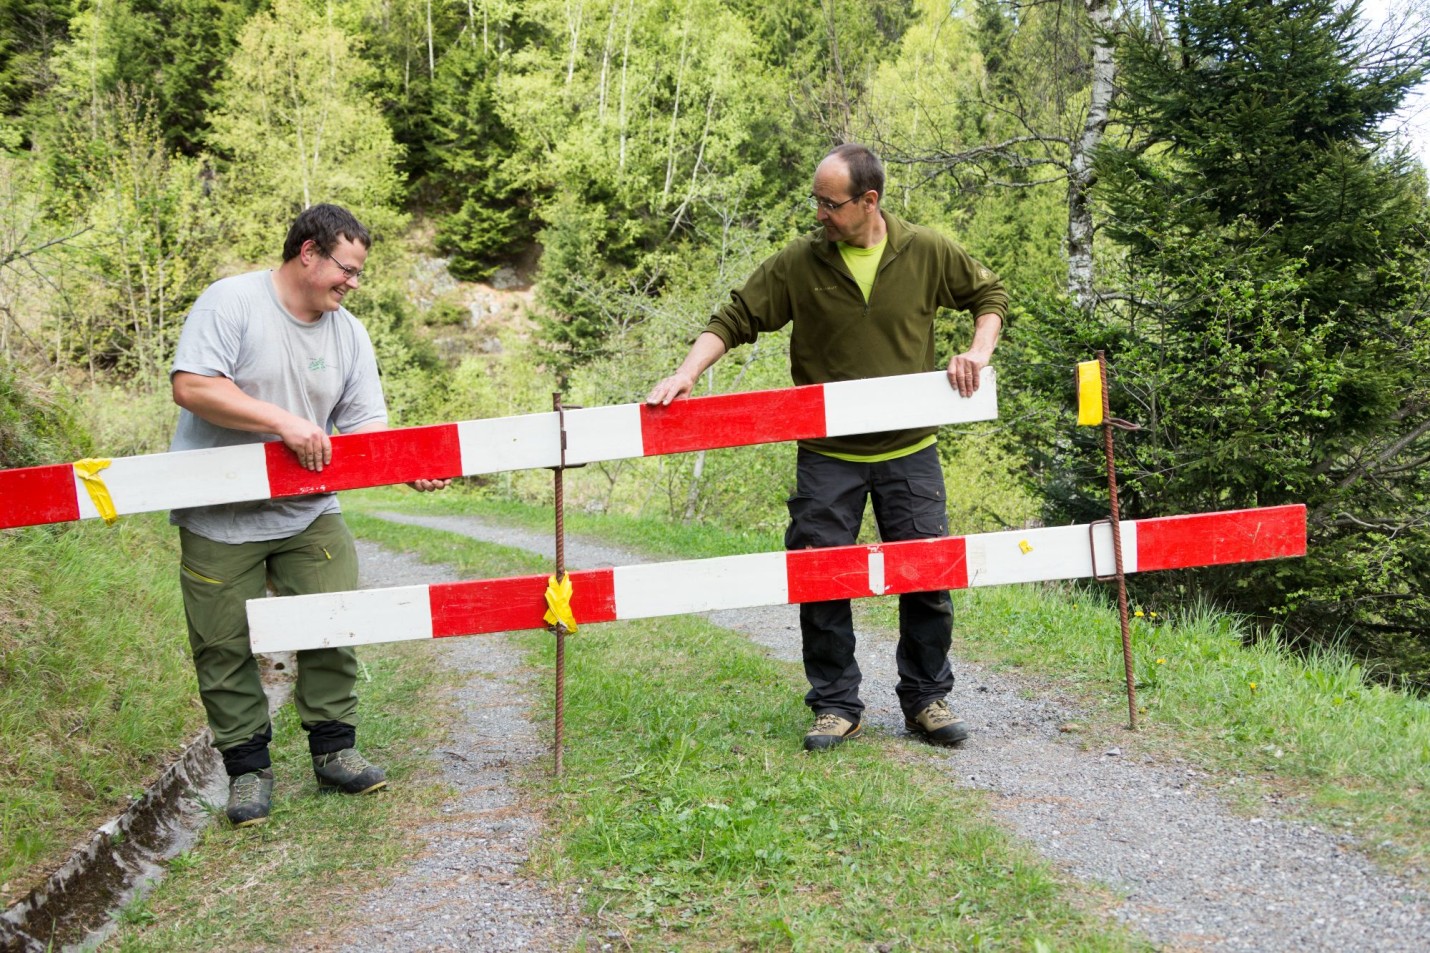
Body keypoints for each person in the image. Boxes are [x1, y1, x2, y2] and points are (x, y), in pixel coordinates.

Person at [647, 144, 1008, 752]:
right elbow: (734, 317)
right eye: (815, 201)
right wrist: (687, 372)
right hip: (827, 457)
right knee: (820, 578)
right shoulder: (800, 261)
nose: (819, 214)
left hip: (910, 451)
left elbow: (989, 297)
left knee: (926, 576)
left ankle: (926, 699)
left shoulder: (926, 250)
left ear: (870, 201)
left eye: (830, 204)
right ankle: (837, 705)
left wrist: (977, 351)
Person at [169, 204, 449, 826]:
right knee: (222, 646)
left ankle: (334, 753)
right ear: (308, 253)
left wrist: (402, 464)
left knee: (333, 624)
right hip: (218, 515)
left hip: (308, 511)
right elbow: (192, 386)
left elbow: (364, 422)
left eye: (358, 273)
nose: (353, 283)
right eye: (346, 269)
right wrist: (286, 424)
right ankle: (247, 772)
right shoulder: (232, 302)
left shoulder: (348, 333)